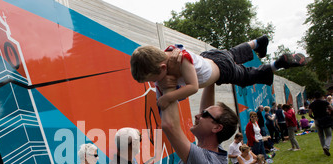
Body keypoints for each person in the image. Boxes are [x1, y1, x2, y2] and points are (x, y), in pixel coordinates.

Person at [130, 35, 308, 109]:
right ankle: (257, 42)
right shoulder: (167, 54)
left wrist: (168, 97)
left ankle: (277, 64)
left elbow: (192, 87)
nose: (155, 83)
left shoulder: (182, 61)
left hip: (222, 70)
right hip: (211, 57)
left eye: (154, 79)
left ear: (162, 68)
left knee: (246, 76)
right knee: (232, 52)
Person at [309, 91, 333, 156]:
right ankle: (326, 147)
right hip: (325, 119)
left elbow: (310, 114)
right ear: (321, 96)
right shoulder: (325, 102)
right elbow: (331, 108)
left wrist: (314, 118)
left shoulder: (312, 104)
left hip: (317, 120)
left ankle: (324, 150)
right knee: (328, 135)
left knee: (321, 136)